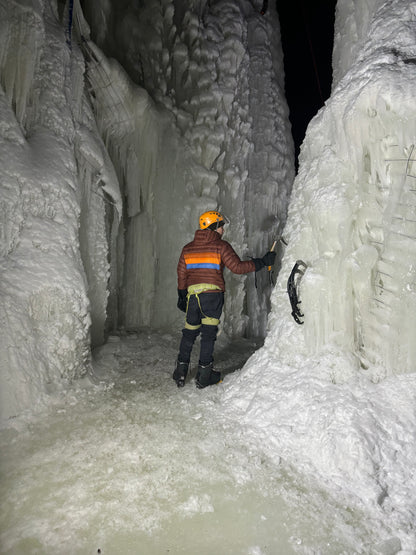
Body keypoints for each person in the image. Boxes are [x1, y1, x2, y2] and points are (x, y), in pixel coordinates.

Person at [172, 210, 276, 389]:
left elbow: (181, 274)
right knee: (208, 335)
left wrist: (182, 294)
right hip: (212, 296)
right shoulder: (220, 246)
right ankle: (204, 376)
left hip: (193, 297)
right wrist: (262, 262)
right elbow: (237, 267)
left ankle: (180, 372)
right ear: (215, 227)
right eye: (221, 226)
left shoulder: (188, 248)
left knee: (189, 332)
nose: (223, 230)